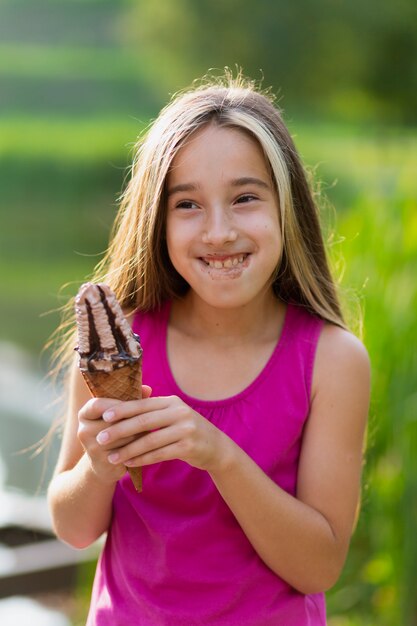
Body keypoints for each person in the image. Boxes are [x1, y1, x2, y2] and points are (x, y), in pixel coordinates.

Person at [47, 72, 370, 626]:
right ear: (158, 221)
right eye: (188, 205)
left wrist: (219, 455)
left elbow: (318, 568)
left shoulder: (331, 360)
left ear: (286, 207)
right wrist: (98, 468)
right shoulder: (119, 343)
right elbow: (74, 529)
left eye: (245, 198)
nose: (218, 232)